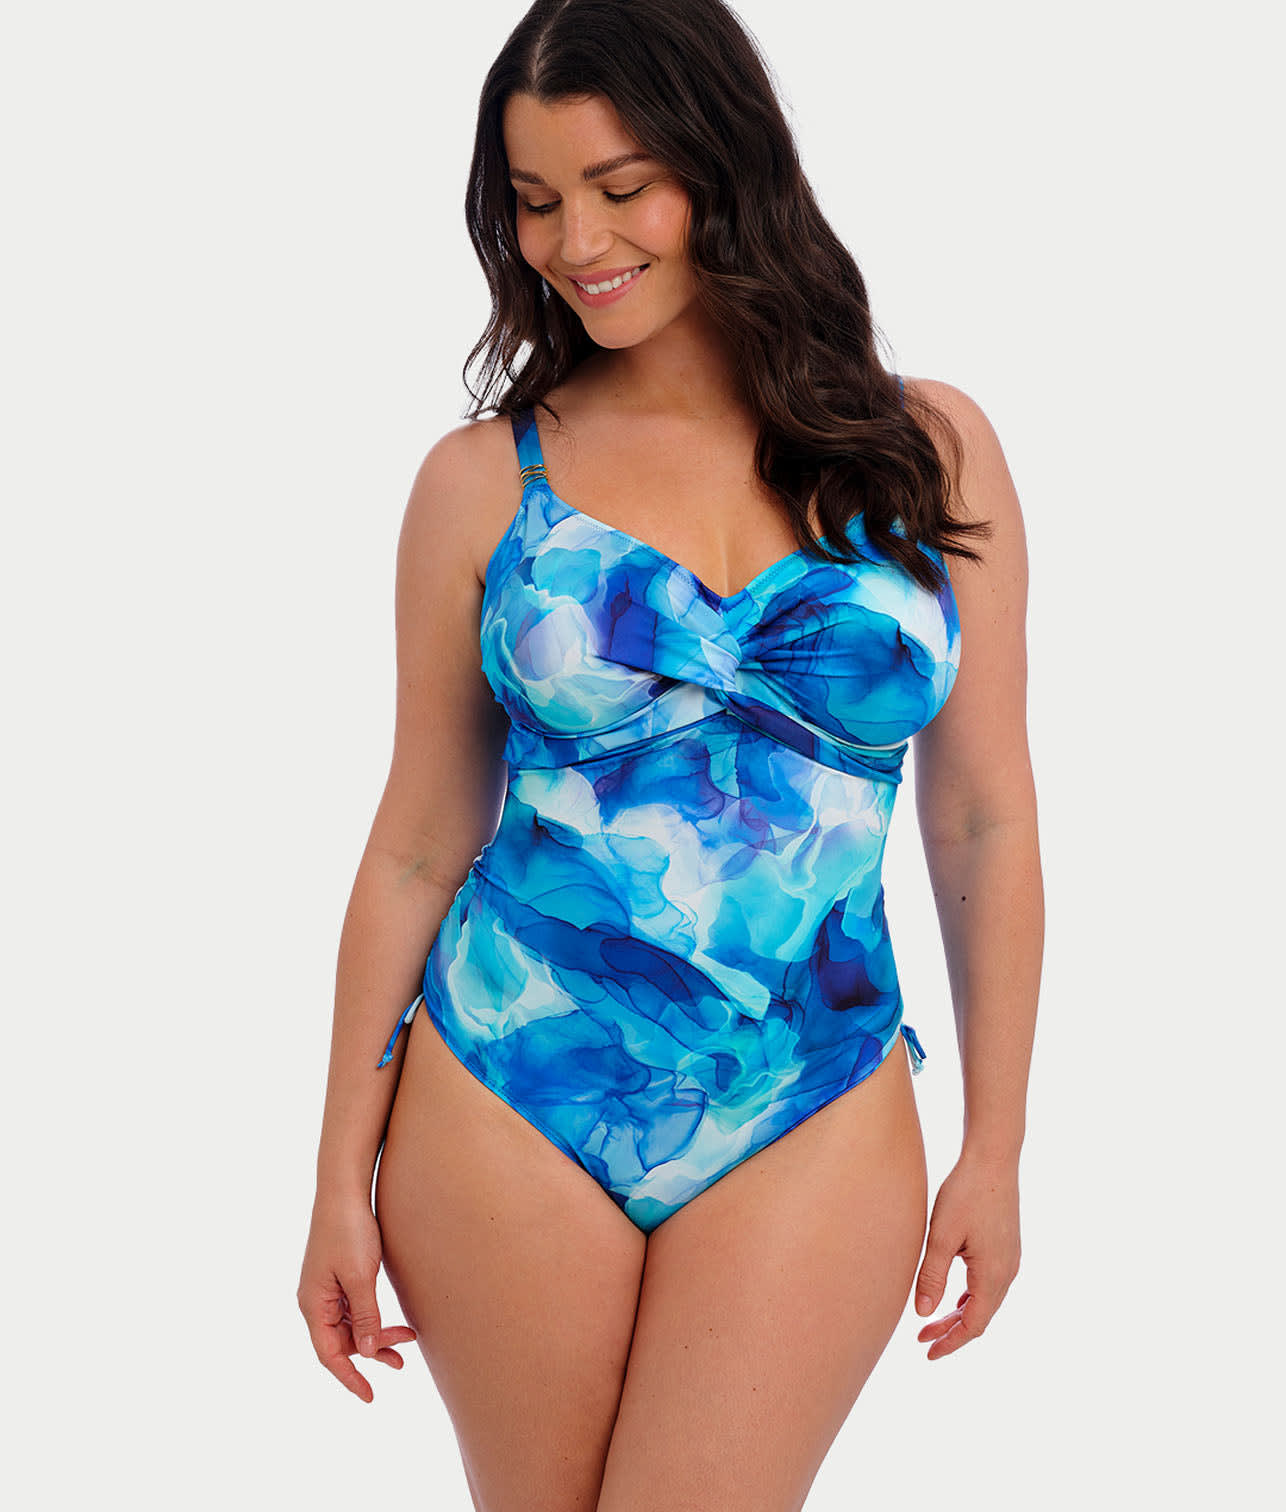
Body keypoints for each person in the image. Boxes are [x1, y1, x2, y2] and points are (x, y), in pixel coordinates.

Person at [297, 0, 1043, 1506]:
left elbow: (983, 822)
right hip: (512, 1075)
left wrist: (997, 1147)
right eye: (534, 200)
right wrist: (333, 1179)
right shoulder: (479, 483)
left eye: (620, 186)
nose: (576, 242)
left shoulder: (926, 451)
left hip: (813, 1087)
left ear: (723, 165)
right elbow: (419, 842)